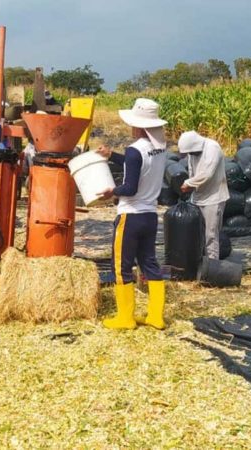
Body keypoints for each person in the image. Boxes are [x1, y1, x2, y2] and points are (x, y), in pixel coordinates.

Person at [96, 98, 168, 330]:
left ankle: (125, 318)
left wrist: (111, 192)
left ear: (138, 125)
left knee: (121, 266)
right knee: (149, 263)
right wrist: (112, 155)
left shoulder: (135, 150)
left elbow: (130, 188)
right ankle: (155, 316)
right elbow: (136, 163)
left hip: (131, 215)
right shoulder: (160, 148)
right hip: (150, 215)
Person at [178, 131, 230, 260]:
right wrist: (191, 187)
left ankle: (212, 265)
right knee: (197, 233)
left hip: (214, 197)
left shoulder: (212, 148)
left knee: (210, 235)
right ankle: (199, 260)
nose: (190, 155)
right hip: (198, 197)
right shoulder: (193, 153)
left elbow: (207, 173)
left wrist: (188, 183)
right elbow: (192, 171)